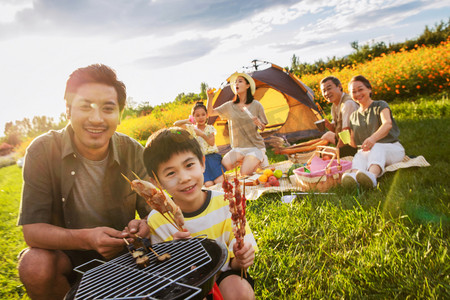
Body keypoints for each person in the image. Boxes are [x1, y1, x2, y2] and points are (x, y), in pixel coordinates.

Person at [17, 64, 151, 300]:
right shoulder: (42, 150)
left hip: (124, 252)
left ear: (119, 114)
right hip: (67, 258)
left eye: (108, 108)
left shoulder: (133, 151)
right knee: (34, 264)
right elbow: (33, 231)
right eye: (85, 106)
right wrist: (87, 238)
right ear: (68, 110)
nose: (96, 119)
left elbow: (154, 212)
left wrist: (146, 224)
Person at [143, 128, 257, 300]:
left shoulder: (227, 204)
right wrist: (176, 254)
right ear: (156, 182)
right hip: (187, 286)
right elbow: (165, 275)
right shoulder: (158, 220)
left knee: (239, 290)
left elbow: (236, 265)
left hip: (225, 277)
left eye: (189, 165)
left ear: (203, 164)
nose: (184, 178)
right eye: (171, 173)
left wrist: (242, 259)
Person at [341, 75, 405, 189]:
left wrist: (373, 138)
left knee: (377, 146)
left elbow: (387, 124)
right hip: (369, 152)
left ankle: (372, 177)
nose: (358, 94)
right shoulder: (353, 116)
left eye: (360, 89)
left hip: (392, 149)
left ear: (369, 89)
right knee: (359, 154)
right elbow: (355, 144)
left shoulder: (380, 105)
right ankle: (353, 177)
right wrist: (345, 135)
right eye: (354, 92)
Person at [206, 72, 268, 176]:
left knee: (243, 174)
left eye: (240, 81)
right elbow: (210, 113)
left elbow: (262, 128)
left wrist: (259, 123)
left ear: (248, 85)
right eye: (235, 82)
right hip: (238, 149)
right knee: (225, 164)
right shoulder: (230, 106)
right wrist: (210, 97)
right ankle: (249, 161)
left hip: (255, 147)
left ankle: (259, 158)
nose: (236, 84)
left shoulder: (256, 105)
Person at [173, 101, 225, 187]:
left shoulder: (210, 128)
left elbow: (211, 143)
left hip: (212, 158)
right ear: (193, 117)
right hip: (201, 160)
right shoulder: (191, 128)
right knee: (208, 184)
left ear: (206, 115)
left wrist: (201, 134)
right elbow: (176, 125)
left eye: (203, 114)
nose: (201, 117)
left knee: (219, 181)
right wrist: (188, 120)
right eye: (197, 115)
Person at [319, 76, 359, 157]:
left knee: (326, 153)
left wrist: (336, 151)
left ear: (340, 87)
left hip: (356, 145)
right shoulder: (334, 106)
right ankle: (314, 156)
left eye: (329, 88)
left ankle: (319, 160)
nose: (326, 93)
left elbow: (346, 134)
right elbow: (336, 130)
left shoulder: (348, 104)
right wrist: (329, 126)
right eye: (324, 91)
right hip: (346, 140)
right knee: (327, 135)